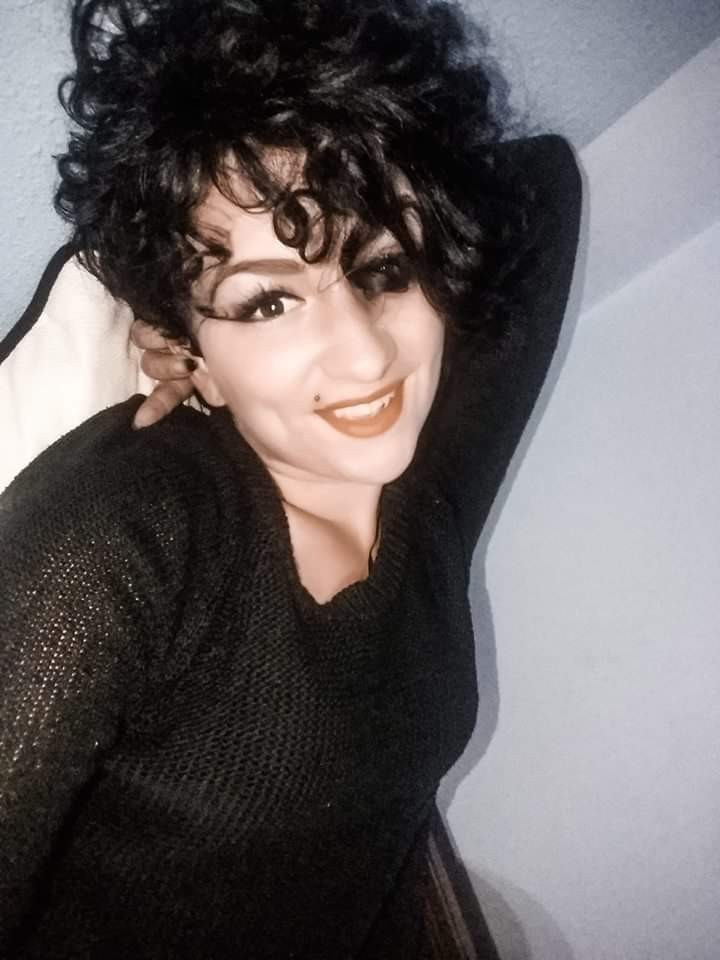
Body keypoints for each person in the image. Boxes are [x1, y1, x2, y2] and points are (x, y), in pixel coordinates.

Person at [0, 0, 581, 956]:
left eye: (385, 265)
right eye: (268, 302)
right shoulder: (128, 532)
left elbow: (540, 183)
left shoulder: (428, 499)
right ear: (183, 343)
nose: (364, 356)